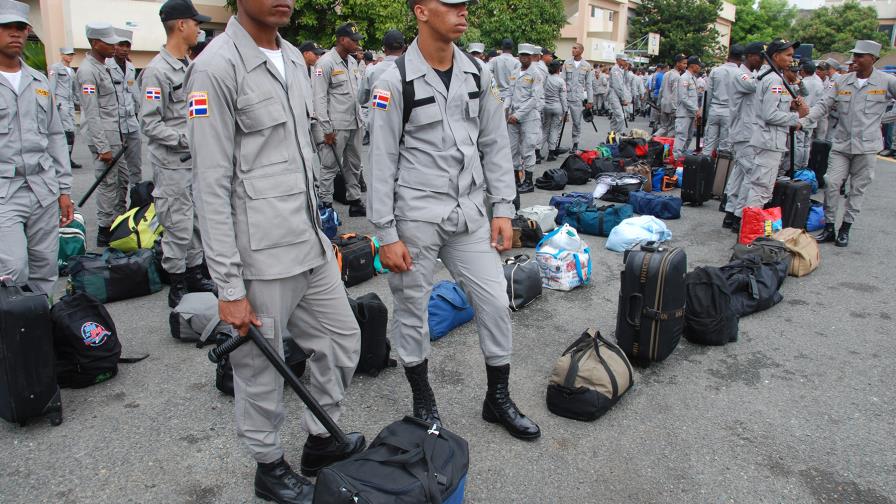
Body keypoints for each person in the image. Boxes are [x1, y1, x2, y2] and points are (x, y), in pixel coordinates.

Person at [185, 1, 366, 502]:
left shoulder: (291, 57)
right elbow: (210, 183)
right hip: (259, 254)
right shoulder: (216, 67)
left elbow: (305, 161)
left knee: (342, 339)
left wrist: (325, 236)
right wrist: (227, 285)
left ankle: (320, 437)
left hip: (307, 243)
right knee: (259, 370)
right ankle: (269, 466)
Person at [367, 0, 541, 441]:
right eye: (451, 5)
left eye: (466, 6)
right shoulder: (393, 80)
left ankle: (496, 397)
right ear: (422, 11)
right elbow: (380, 162)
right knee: (412, 312)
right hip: (416, 218)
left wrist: (503, 209)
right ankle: (423, 402)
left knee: (496, 300)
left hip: (468, 214)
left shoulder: (476, 74)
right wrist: (385, 233)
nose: (462, 12)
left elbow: (495, 144)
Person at [139, 0, 216, 308]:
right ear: (181, 25)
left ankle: (196, 273)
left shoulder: (189, 66)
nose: (199, 28)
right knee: (178, 226)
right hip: (172, 165)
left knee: (196, 222)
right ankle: (178, 283)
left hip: (195, 163)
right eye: (196, 23)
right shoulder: (157, 71)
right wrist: (187, 139)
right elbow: (149, 123)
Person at [0, 0, 73, 296]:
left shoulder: (39, 81)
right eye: (7, 28)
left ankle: (38, 331)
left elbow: (55, 136)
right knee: (13, 268)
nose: (15, 34)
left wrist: (64, 190)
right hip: (5, 190)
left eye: (20, 28)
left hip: (43, 187)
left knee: (45, 269)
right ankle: (13, 333)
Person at [801, 40, 896, 247]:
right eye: (855, 55)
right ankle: (829, 226)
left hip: (867, 147)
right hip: (842, 144)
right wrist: (804, 121)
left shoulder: (886, 81)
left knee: (857, 189)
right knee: (832, 183)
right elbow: (824, 105)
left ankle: (845, 228)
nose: (855, 59)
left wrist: (882, 119)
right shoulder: (843, 81)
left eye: (861, 56)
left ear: (873, 59)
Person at [735, 39, 808, 220]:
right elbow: (769, 115)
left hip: (768, 140)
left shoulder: (775, 77)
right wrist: (796, 117)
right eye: (788, 55)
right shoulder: (774, 79)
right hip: (769, 141)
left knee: (758, 186)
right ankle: (749, 233)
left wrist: (790, 106)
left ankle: (746, 227)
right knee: (761, 189)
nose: (791, 60)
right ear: (776, 56)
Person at [77, 23, 126, 247]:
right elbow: (91, 112)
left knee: (121, 180)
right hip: (104, 138)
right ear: (95, 43)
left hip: (115, 135)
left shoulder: (104, 66)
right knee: (107, 184)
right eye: (109, 42)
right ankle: (105, 230)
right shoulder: (87, 71)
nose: (114, 46)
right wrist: (102, 146)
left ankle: (118, 223)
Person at [312, 22, 366, 217]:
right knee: (329, 166)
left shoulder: (353, 62)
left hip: (355, 122)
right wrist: (325, 128)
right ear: (342, 40)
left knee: (354, 164)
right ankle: (325, 204)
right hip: (336, 126)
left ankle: (354, 200)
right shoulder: (325, 63)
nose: (357, 43)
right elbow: (319, 97)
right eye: (353, 40)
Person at [722, 42, 765, 231]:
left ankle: (731, 212)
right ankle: (739, 215)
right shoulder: (742, 75)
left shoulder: (751, 74)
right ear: (750, 56)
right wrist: (770, 71)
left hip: (747, 130)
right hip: (744, 131)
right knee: (750, 174)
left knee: (739, 173)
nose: (763, 61)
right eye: (760, 57)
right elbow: (755, 85)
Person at [108, 28, 143, 210]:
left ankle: (136, 206)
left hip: (131, 124)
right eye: (121, 45)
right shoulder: (107, 66)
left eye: (127, 45)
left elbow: (135, 95)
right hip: (115, 125)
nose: (124, 49)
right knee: (119, 173)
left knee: (136, 168)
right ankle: (119, 209)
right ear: (114, 45)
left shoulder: (130, 67)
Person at [506, 43, 541, 193]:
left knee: (528, 149)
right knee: (512, 149)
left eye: (527, 55)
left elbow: (534, 99)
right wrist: (505, 112)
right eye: (522, 55)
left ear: (532, 57)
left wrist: (517, 115)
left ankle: (528, 182)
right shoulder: (515, 71)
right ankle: (515, 180)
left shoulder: (536, 74)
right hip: (512, 117)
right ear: (518, 56)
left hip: (529, 117)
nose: (524, 58)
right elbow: (509, 93)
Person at [358, 29, 404, 130]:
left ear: (384, 48)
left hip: (377, 125)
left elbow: (361, 99)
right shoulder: (411, 70)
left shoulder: (371, 70)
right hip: (404, 127)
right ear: (403, 48)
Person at [704, 45, 742, 155]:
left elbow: (708, 95)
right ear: (740, 59)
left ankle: (704, 169)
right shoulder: (740, 73)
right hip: (730, 112)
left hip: (714, 110)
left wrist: (707, 113)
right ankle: (721, 171)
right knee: (725, 146)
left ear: (728, 56)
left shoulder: (715, 71)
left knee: (709, 143)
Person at [48, 47, 81, 169]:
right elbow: (52, 86)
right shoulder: (55, 68)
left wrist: (80, 102)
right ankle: (64, 159)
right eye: (68, 54)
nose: (70, 57)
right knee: (67, 132)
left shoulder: (71, 71)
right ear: (61, 55)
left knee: (72, 131)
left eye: (72, 55)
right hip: (61, 103)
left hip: (70, 103)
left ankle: (68, 158)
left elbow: (74, 89)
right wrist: (54, 104)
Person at [563, 42, 594, 152]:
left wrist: (590, 100)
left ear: (581, 50)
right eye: (572, 48)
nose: (573, 50)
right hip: (566, 97)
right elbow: (563, 81)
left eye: (575, 48)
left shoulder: (586, 66)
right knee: (560, 121)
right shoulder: (567, 63)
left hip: (578, 98)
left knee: (576, 122)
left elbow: (589, 84)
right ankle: (554, 146)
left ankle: (575, 143)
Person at [673, 56, 701, 157]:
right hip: (684, 114)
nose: (699, 68)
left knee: (689, 137)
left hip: (690, 114)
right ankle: (676, 158)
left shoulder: (693, 78)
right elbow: (683, 98)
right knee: (681, 137)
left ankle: (682, 157)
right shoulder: (684, 78)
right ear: (693, 66)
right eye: (698, 66)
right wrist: (696, 109)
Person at [542, 60, 567, 161]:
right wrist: (565, 111)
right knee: (554, 130)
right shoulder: (560, 81)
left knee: (545, 129)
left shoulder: (546, 79)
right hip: (557, 107)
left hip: (545, 106)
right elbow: (563, 98)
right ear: (558, 69)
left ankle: (537, 151)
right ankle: (551, 153)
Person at [657, 54, 686, 137]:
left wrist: (659, 103)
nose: (685, 66)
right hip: (672, 107)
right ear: (677, 63)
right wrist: (675, 108)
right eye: (683, 63)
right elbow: (675, 94)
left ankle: (653, 141)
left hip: (664, 104)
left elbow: (661, 90)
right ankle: (667, 148)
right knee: (672, 130)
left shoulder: (666, 74)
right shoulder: (677, 77)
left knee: (663, 128)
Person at [488, 38, 519, 103]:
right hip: (511, 96)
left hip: (496, 95)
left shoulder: (494, 60)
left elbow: (487, 74)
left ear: (502, 47)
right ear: (512, 48)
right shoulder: (517, 62)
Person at [607, 54, 630, 135]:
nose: (625, 62)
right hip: (615, 94)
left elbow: (626, 81)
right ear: (618, 60)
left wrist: (626, 70)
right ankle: (619, 134)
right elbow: (618, 86)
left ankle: (612, 133)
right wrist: (623, 98)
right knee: (620, 117)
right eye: (624, 60)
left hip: (618, 94)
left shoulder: (621, 69)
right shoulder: (615, 69)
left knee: (615, 117)